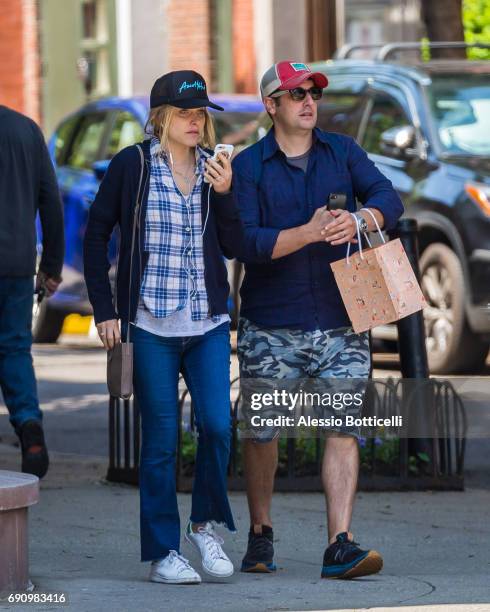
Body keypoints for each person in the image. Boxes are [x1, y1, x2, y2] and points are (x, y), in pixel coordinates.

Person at [232, 61, 404, 578]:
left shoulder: (343, 152)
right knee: (264, 433)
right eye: (296, 94)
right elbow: (244, 242)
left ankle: (340, 543)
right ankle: (260, 534)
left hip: (342, 317)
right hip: (271, 323)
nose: (309, 101)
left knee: (343, 429)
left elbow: (387, 198)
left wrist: (361, 218)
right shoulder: (249, 167)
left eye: (314, 93)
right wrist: (306, 233)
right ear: (271, 104)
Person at [84, 70, 243, 585]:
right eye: (186, 113)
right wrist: (105, 309)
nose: (196, 122)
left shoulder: (214, 169)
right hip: (150, 322)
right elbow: (96, 236)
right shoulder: (132, 166)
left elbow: (235, 242)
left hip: (207, 321)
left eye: (201, 114)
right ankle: (162, 552)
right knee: (160, 442)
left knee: (218, 427)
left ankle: (203, 526)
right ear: (162, 118)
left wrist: (226, 195)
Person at [0, 105, 64, 479]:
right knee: (14, 348)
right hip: (17, 265)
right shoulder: (27, 131)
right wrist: (51, 267)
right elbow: (50, 203)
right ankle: (29, 426)